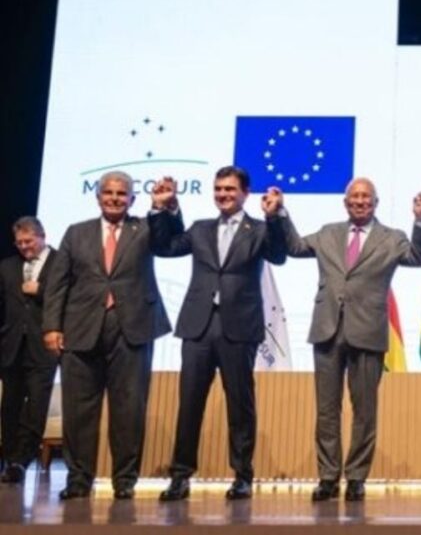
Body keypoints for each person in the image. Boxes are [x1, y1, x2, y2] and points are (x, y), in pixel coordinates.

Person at [264, 179, 421, 502]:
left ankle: (356, 477)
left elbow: (418, 257)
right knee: (327, 410)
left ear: (376, 202)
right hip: (327, 329)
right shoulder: (328, 233)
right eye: (354, 196)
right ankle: (328, 477)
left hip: (368, 332)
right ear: (345, 202)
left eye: (366, 196)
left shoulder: (392, 238)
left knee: (364, 411)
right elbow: (295, 247)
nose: (360, 201)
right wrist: (280, 213)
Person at [150, 167, 286, 501]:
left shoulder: (259, 229)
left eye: (229, 189)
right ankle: (180, 476)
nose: (223, 194)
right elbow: (165, 246)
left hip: (239, 326)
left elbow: (279, 255)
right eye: (218, 189)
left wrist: (275, 217)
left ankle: (242, 476)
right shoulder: (200, 228)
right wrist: (164, 209)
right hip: (198, 325)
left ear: (245, 193)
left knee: (240, 405)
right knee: (190, 404)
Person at [41, 171, 172, 499]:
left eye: (121, 193)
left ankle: (124, 481)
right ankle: (78, 480)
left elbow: (169, 240)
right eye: (109, 193)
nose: (115, 198)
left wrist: (164, 207)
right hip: (80, 330)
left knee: (129, 409)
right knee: (78, 411)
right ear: (98, 197)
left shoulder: (146, 228)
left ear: (132, 199)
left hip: (131, 330)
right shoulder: (77, 232)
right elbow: (58, 284)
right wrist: (52, 326)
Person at [0, 217, 59, 484]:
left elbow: (70, 298)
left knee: (36, 405)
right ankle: (10, 459)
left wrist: (41, 290)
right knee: (10, 406)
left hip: (43, 346)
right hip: (12, 347)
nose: (24, 246)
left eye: (29, 241)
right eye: (19, 243)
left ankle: (21, 460)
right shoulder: (7, 266)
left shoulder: (61, 262)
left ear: (42, 236)